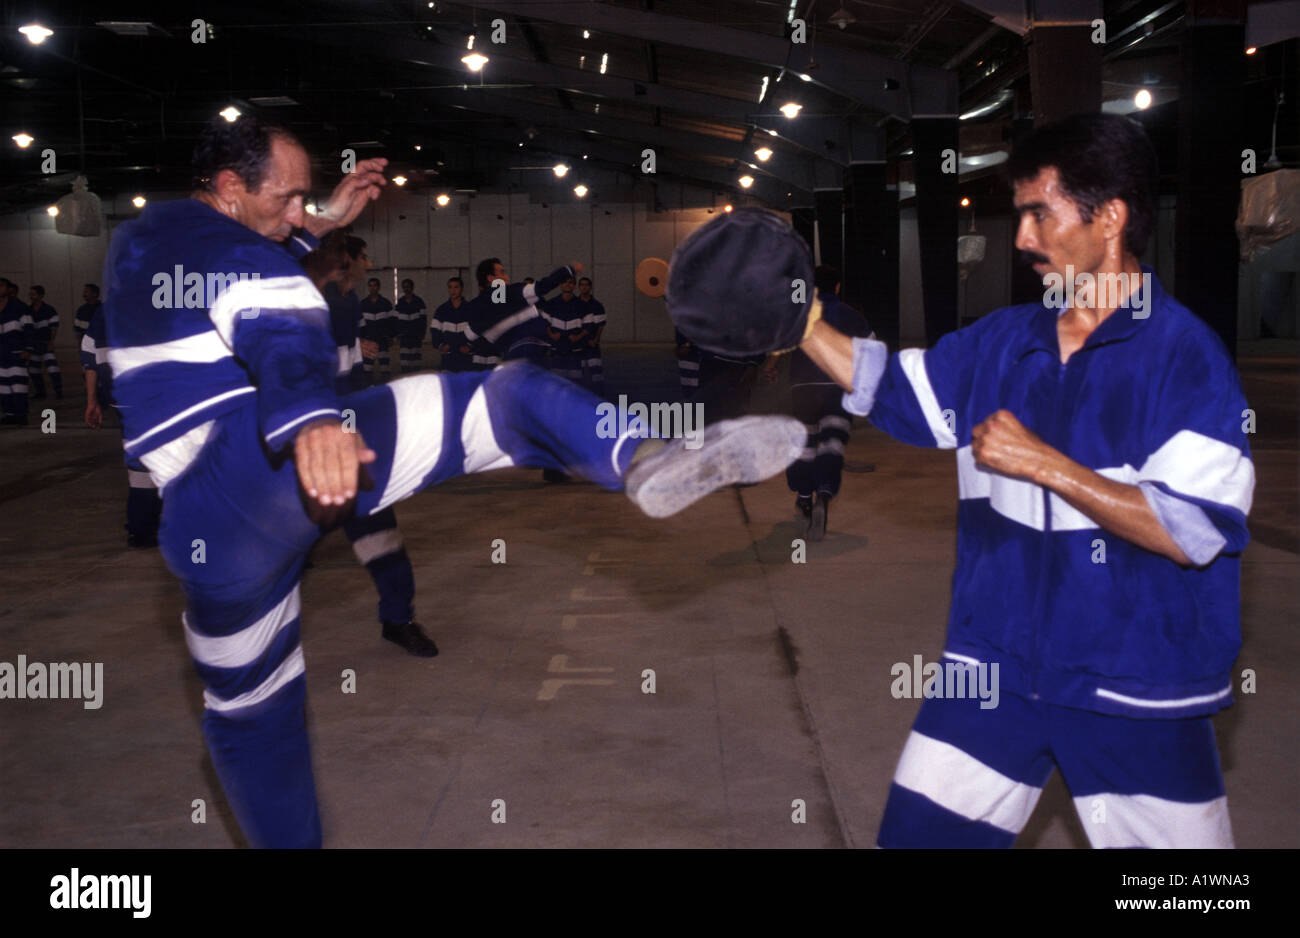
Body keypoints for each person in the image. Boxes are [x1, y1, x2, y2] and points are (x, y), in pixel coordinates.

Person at [102, 114, 803, 848]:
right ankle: (641, 459)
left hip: (210, 538)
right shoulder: (197, 239)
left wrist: (323, 220)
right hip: (260, 466)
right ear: (225, 187)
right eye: (286, 198)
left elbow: (246, 249)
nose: (296, 213)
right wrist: (310, 418)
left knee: (253, 718)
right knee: (504, 400)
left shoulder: (152, 244)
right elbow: (270, 313)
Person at [796, 112, 1253, 848]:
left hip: (1134, 689)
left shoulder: (1187, 360)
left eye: (1040, 213)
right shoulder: (1004, 342)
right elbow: (896, 386)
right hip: (991, 671)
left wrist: (1047, 464)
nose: (1022, 239)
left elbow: (1191, 528)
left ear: (1110, 218)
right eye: (1021, 215)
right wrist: (805, 324)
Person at [302, 232, 436, 657]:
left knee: (380, 533)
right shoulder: (314, 300)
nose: (370, 263)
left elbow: (349, 370)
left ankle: (397, 619)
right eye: (364, 257)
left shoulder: (349, 301)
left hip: (345, 434)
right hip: (312, 438)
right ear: (347, 261)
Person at [768, 265, 874, 541]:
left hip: (803, 388)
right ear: (837, 287)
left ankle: (804, 497)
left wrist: (771, 367)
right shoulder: (852, 315)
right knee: (831, 443)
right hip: (838, 390)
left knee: (805, 443)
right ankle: (823, 496)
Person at [81, 300, 162, 547]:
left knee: (140, 468)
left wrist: (92, 400)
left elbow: (89, 357)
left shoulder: (104, 310)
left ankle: (140, 530)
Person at [0, 277, 34, 426]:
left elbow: (29, 329)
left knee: (18, 385)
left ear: (8, 289)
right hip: (1, 355)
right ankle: (9, 414)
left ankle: (21, 415)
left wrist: (28, 349)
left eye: (1, 286)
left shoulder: (19, 307)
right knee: (3, 386)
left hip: (16, 353)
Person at [545, 276, 587, 384]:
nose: (568, 285)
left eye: (571, 283)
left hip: (575, 350)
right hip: (557, 350)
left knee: (575, 383)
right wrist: (552, 335)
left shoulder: (581, 305)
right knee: (557, 383)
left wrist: (578, 337)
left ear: (574, 286)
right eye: (565, 282)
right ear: (560, 285)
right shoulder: (551, 303)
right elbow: (544, 323)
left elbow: (588, 326)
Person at [26, 285, 63, 399]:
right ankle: (40, 393)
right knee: (34, 370)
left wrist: (51, 342)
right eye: (30, 294)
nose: (31, 296)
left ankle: (58, 391)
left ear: (41, 295)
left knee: (52, 369)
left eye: (34, 294)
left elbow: (54, 327)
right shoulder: (28, 310)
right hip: (34, 344)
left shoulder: (49, 310)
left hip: (46, 342)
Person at [431, 276, 473, 372]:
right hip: (448, 357)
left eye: (456, 287)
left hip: (466, 358)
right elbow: (434, 330)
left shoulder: (470, 308)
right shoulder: (441, 310)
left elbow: (477, 330)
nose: (453, 290)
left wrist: (470, 346)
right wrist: (441, 345)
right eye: (450, 287)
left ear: (462, 289)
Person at [358, 277, 394, 380]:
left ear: (379, 287)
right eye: (370, 285)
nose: (373, 288)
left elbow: (391, 321)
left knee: (385, 368)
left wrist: (390, 336)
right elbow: (360, 323)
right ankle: (369, 390)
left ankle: (385, 389)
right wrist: (361, 339)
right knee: (367, 369)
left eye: (375, 285)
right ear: (368, 287)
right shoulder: (363, 304)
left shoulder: (386, 303)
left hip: (383, 340)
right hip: (368, 340)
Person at [575, 276, 606, 392]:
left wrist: (595, 340)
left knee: (596, 373)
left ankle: (599, 397)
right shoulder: (574, 304)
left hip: (593, 345)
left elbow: (600, 325)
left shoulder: (597, 305)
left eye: (586, 285)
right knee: (579, 373)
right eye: (582, 285)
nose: (584, 287)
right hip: (579, 345)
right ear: (579, 287)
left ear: (590, 287)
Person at [394, 278, 427, 372]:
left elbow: (423, 319)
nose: (406, 289)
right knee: (405, 362)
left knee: (416, 362)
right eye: (404, 287)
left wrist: (422, 333)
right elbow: (396, 320)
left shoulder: (419, 302)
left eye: (408, 286)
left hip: (416, 336)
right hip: (404, 337)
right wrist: (397, 334)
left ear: (412, 287)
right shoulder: (400, 303)